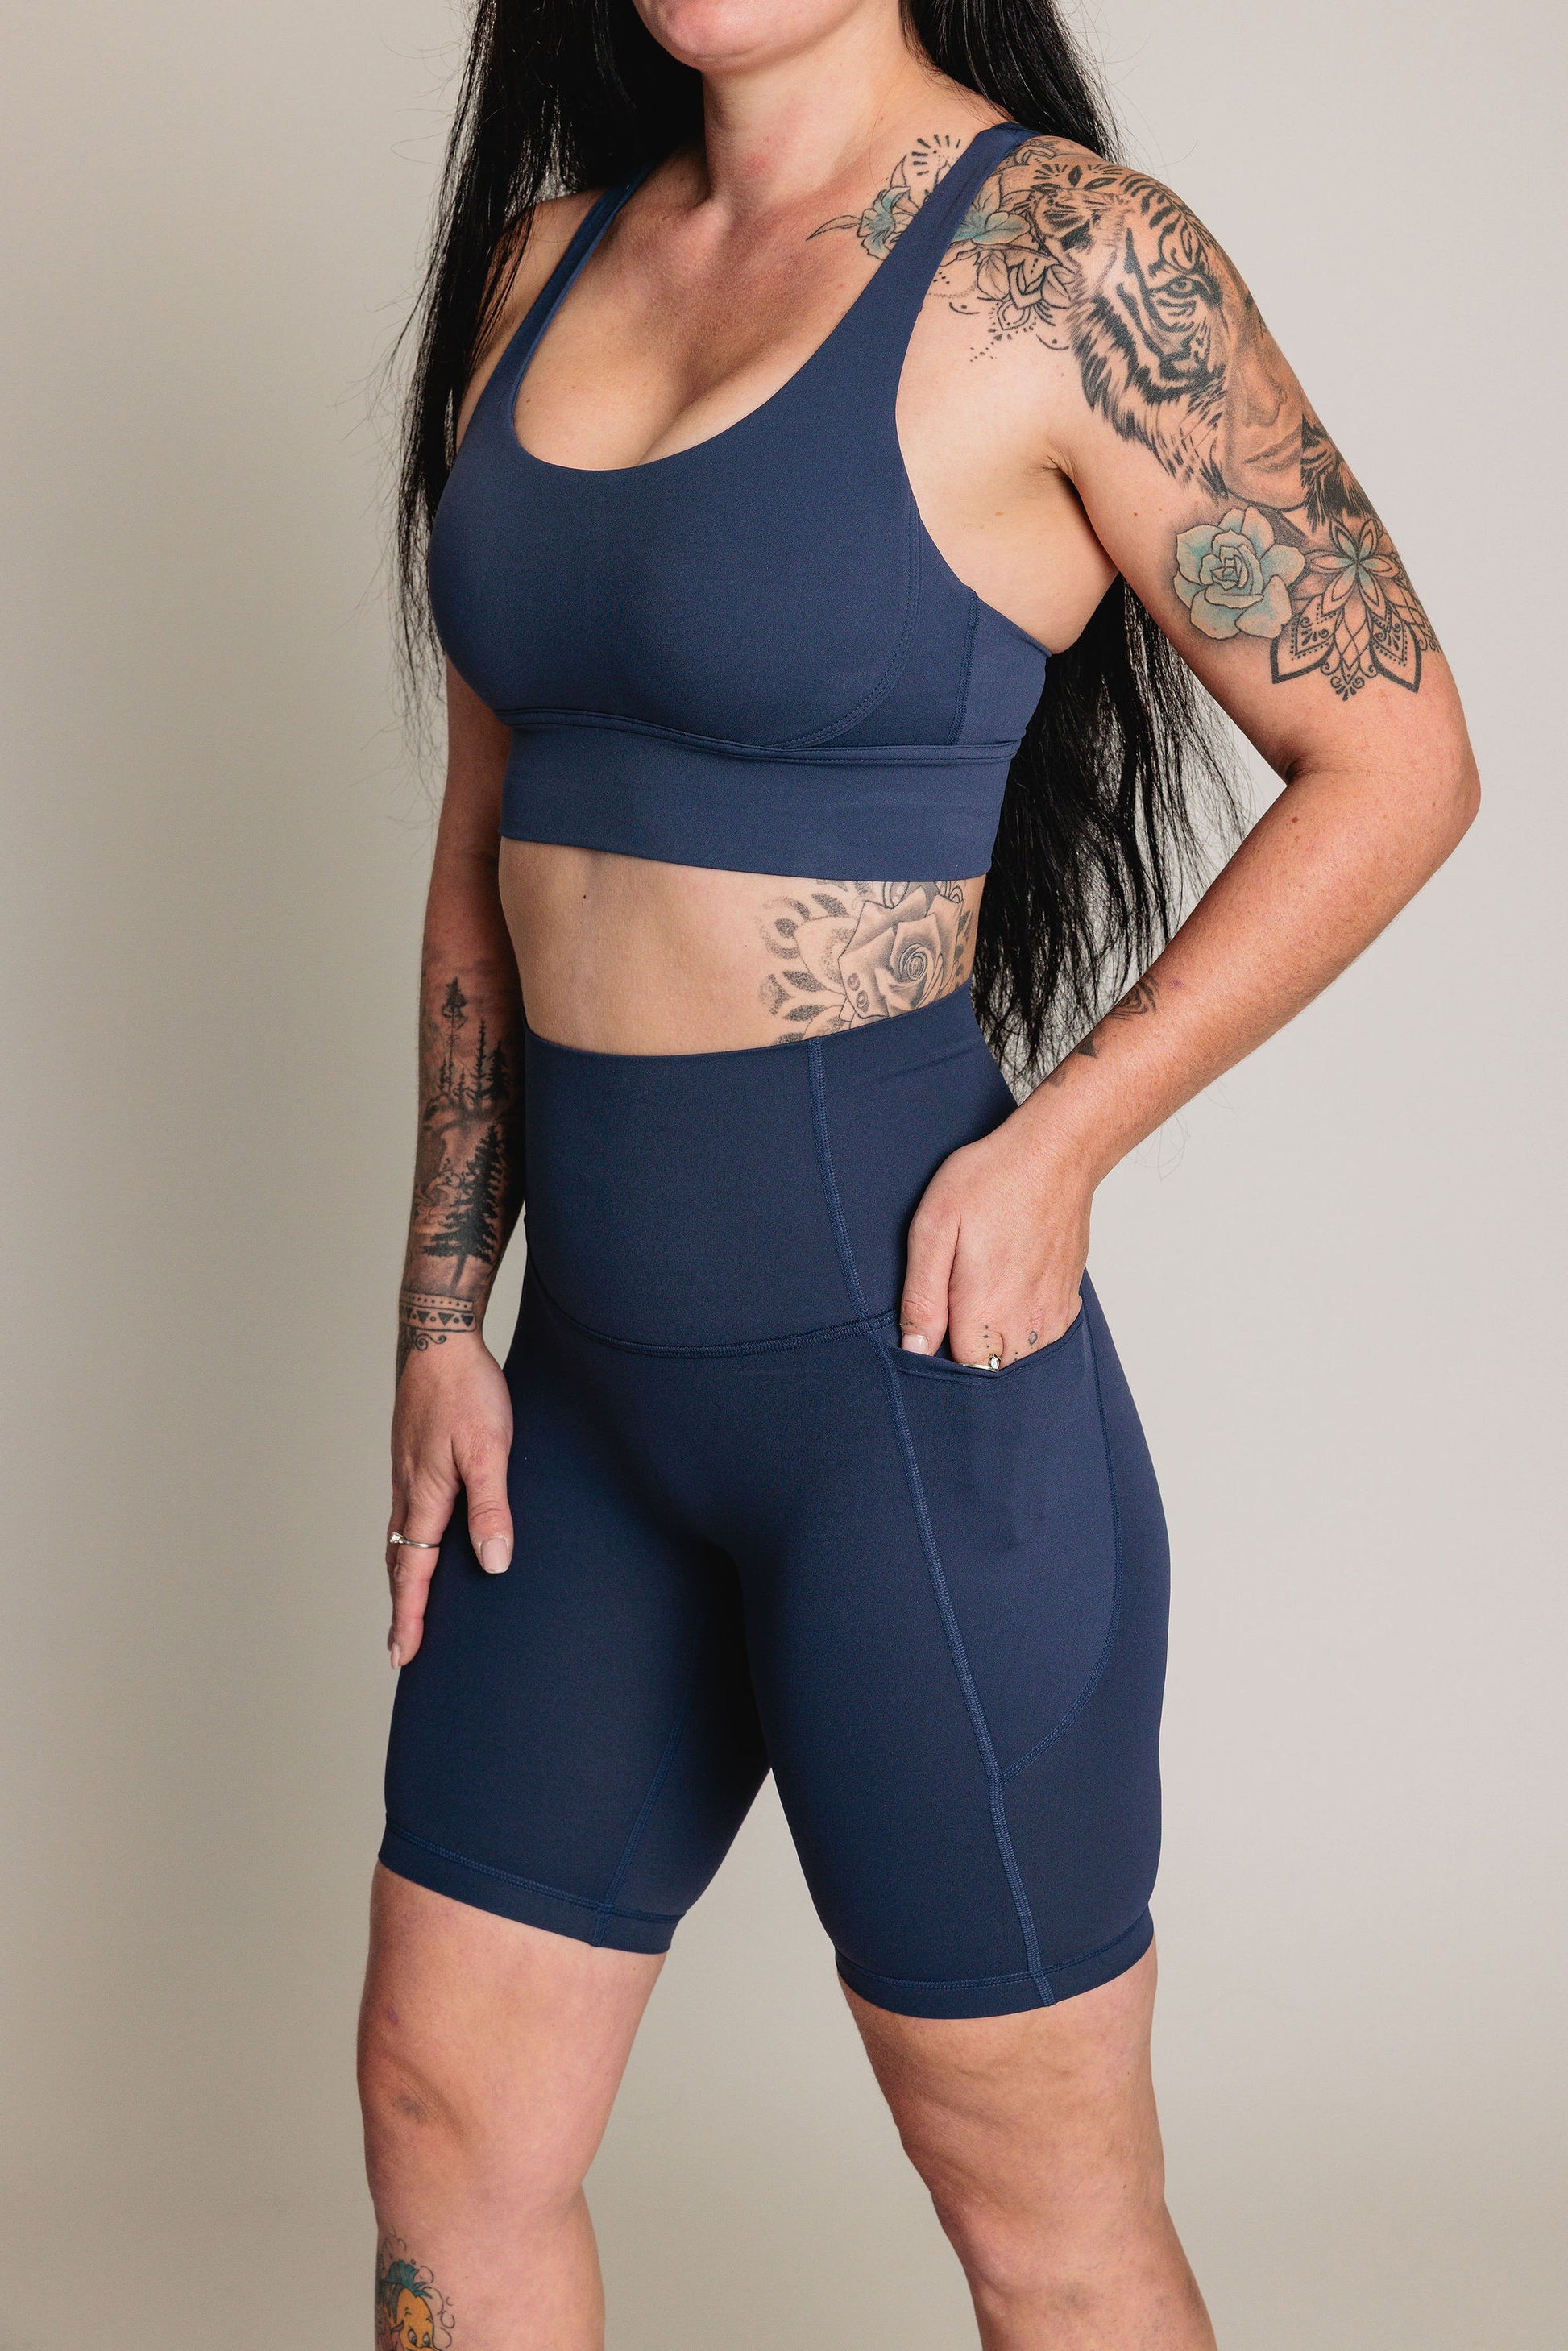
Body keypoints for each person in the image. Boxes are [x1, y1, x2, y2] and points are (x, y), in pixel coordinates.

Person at [356, 1, 1479, 2342]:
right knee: (444, 2126)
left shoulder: (1070, 264)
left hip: (901, 1390)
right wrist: (445, 1313)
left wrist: (1066, 1134)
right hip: (577, 1410)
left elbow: (1397, 761)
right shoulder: (540, 270)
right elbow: (487, 836)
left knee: (1041, 2222)